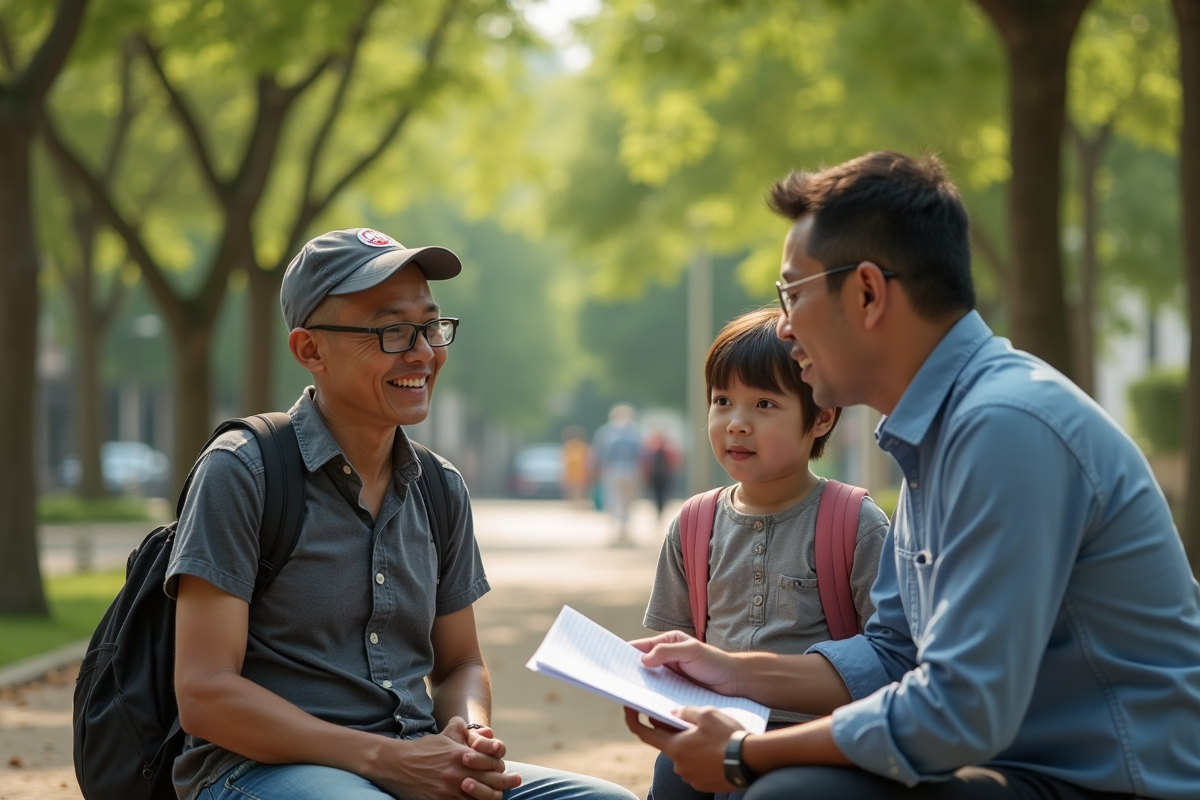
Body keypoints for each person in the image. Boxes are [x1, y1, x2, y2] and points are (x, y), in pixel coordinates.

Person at [624, 152, 1200, 800]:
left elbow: (959, 706)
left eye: (792, 293)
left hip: (1107, 782)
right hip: (1012, 766)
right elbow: (892, 654)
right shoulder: (933, 437)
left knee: (791, 795)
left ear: (867, 292)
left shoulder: (1005, 427)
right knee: (691, 772)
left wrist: (744, 753)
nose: (784, 327)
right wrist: (727, 671)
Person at [166, 228, 636, 800]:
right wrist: (386, 761)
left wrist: (470, 734)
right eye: (391, 330)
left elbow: (460, 662)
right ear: (310, 349)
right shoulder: (244, 472)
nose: (422, 352)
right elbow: (205, 694)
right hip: (258, 770)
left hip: (413, 759)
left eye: (430, 326)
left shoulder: (440, 488)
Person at [643, 307, 888, 800]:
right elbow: (678, 645)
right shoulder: (694, 524)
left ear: (821, 416)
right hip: (713, 724)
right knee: (671, 776)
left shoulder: (854, 524)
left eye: (764, 405)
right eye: (722, 401)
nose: (736, 424)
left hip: (811, 738)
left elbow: (891, 658)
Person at [591, 403, 643, 546]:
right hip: (630, 469)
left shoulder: (606, 431)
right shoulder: (634, 431)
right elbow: (641, 453)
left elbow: (598, 454)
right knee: (627, 503)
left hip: (612, 469)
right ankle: (624, 533)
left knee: (612, 501)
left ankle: (614, 533)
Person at [640, 428, 680, 520]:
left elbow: (673, 461)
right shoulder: (651, 449)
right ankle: (658, 511)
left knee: (664, 494)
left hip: (665, 475)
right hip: (655, 476)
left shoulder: (667, 448)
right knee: (656, 494)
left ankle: (661, 510)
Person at [560, 425, 591, 508]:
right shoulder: (581, 446)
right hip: (577, 470)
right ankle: (576, 502)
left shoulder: (570, 446)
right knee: (576, 488)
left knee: (575, 488)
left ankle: (575, 502)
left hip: (575, 470)